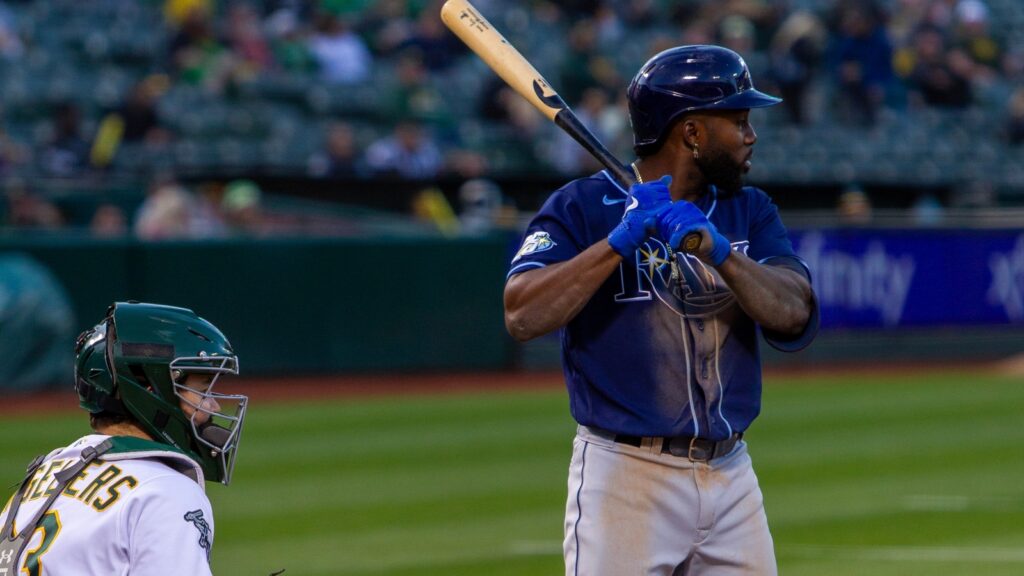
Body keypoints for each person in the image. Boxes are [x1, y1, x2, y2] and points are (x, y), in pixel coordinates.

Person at [503, 45, 819, 575]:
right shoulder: (580, 208)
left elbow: (793, 313)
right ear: (692, 133)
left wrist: (721, 254)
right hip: (627, 476)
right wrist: (618, 241)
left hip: (731, 475)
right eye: (738, 120)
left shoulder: (750, 211)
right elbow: (522, 314)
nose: (751, 135)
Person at [0, 302, 248, 575]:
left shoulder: (44, 473)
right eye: (202, 391)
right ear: (151, 390)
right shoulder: (165, 491)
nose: (213, 407)